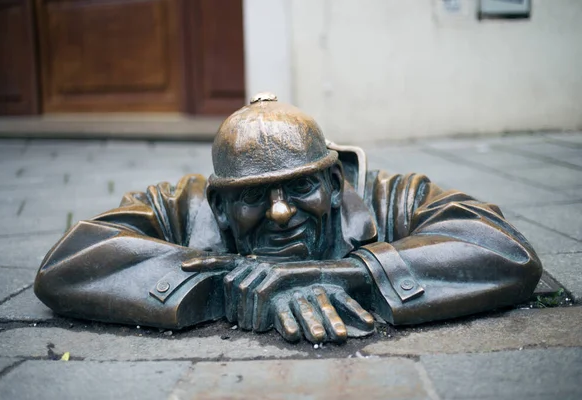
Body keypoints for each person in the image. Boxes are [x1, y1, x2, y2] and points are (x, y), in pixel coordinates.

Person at [35, 93, 542, 343]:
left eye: (302, 188)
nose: (281, 212)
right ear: (218, 206)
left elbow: (504, 250)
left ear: (333, 182)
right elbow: (67, 264)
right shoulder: (178, 203)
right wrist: (227, 281)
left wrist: (345, 274)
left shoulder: (394, 197)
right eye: (254, 195)